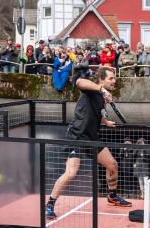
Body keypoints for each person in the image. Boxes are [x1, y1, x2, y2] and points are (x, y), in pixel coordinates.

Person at [45, 67, 132, 218]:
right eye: (111, 78)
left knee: (112, 164)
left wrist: (105, 122)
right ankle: (50, 204)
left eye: (114, 79)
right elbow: (79, 82)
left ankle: (112, 196)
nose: (114, 81)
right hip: (77, 137)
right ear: (101, 80)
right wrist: (101, 90)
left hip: (92, 138)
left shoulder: (100, 97)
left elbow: (95, 113)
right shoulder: (92, 89)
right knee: (71, 172)